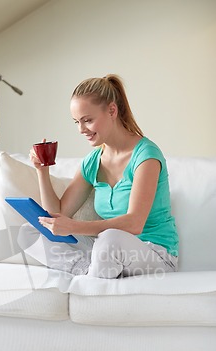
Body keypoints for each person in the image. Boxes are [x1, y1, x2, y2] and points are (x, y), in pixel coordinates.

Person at [18, 74, 179, 278]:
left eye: (88, 120)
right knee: (29, 231)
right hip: (107, 249)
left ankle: (97, 273)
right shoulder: (92, 161)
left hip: (153, 253)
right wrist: (42, 171)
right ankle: (89, 272)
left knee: (110, 239)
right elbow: (57, 215)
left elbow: (134, 223)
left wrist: (77, 227)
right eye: (76, 122)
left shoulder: (146, 155)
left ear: (112, 110)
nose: (81, 129)